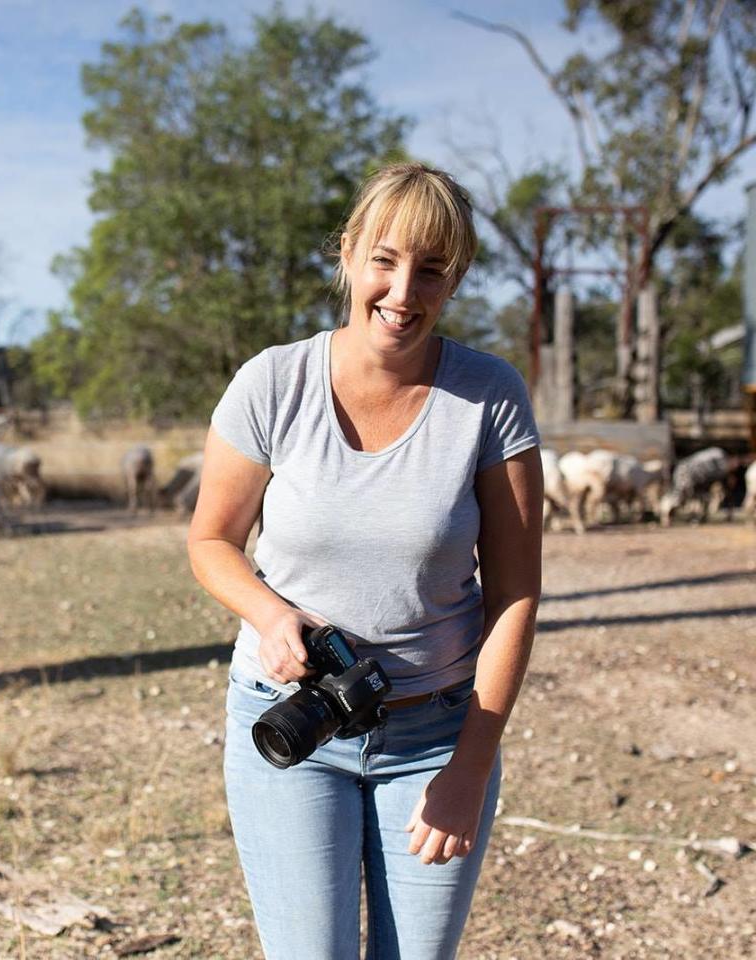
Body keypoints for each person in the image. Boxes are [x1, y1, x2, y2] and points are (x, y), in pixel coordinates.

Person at [187, 162, 543, 960]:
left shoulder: (490, 397)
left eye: (432, 269)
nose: (403, 290)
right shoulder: (272, 383)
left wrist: (469, 769)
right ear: (347, 253)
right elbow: (210, 541)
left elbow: (517, 595)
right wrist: (271, 614)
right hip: (291, 725)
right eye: (384, 258)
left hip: (437, 737)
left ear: (457, 280)